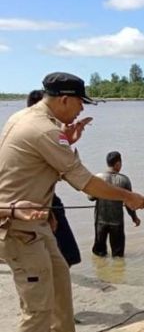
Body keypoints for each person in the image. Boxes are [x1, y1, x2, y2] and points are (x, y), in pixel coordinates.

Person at [0, 72, 144, 332]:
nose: (82, 109)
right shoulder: (45, 130)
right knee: (37, 308)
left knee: (59, 275)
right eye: (81, 102)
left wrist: (68, 142)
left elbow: (35, 169)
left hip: (37, 221)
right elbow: (88, 184)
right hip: (18, 227)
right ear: (65, 99)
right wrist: (128, 196)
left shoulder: (25, 118)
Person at [27, 90, 82, 267]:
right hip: (37, 202)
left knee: (64, 254)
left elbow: (51, 168)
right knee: (66, 254)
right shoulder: (40, 131)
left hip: (44, 199)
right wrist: (127, 196)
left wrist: (67, 142)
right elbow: (77, 176)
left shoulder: (27, 127)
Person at [90, 151, 141, 257]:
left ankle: (101, 272)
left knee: (99, 253)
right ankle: (118, 273)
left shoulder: (98, 178)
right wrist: (134, 217)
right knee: (118, 255)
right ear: (117, 164)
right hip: (116, 223)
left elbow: (90, 197)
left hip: (100, 221)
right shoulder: (124, 180)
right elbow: (129, 203)